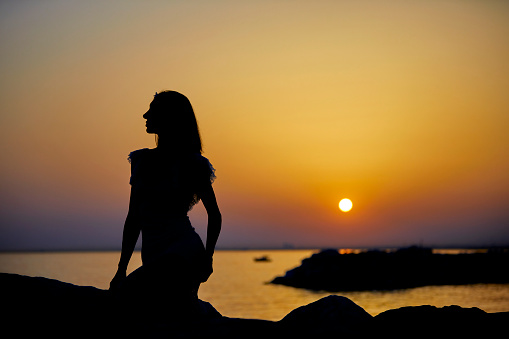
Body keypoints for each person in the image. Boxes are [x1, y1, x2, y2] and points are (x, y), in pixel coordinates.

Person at [109, 91, 221, 315]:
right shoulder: (141, 161)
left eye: (153, 109)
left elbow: (214, 214)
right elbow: (133, 218)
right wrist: (121, 269)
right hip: (153, 254)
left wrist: (207, 259)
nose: (145, 115)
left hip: (183, 252)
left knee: (130, 297)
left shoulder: (192, 163)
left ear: (170, 116)